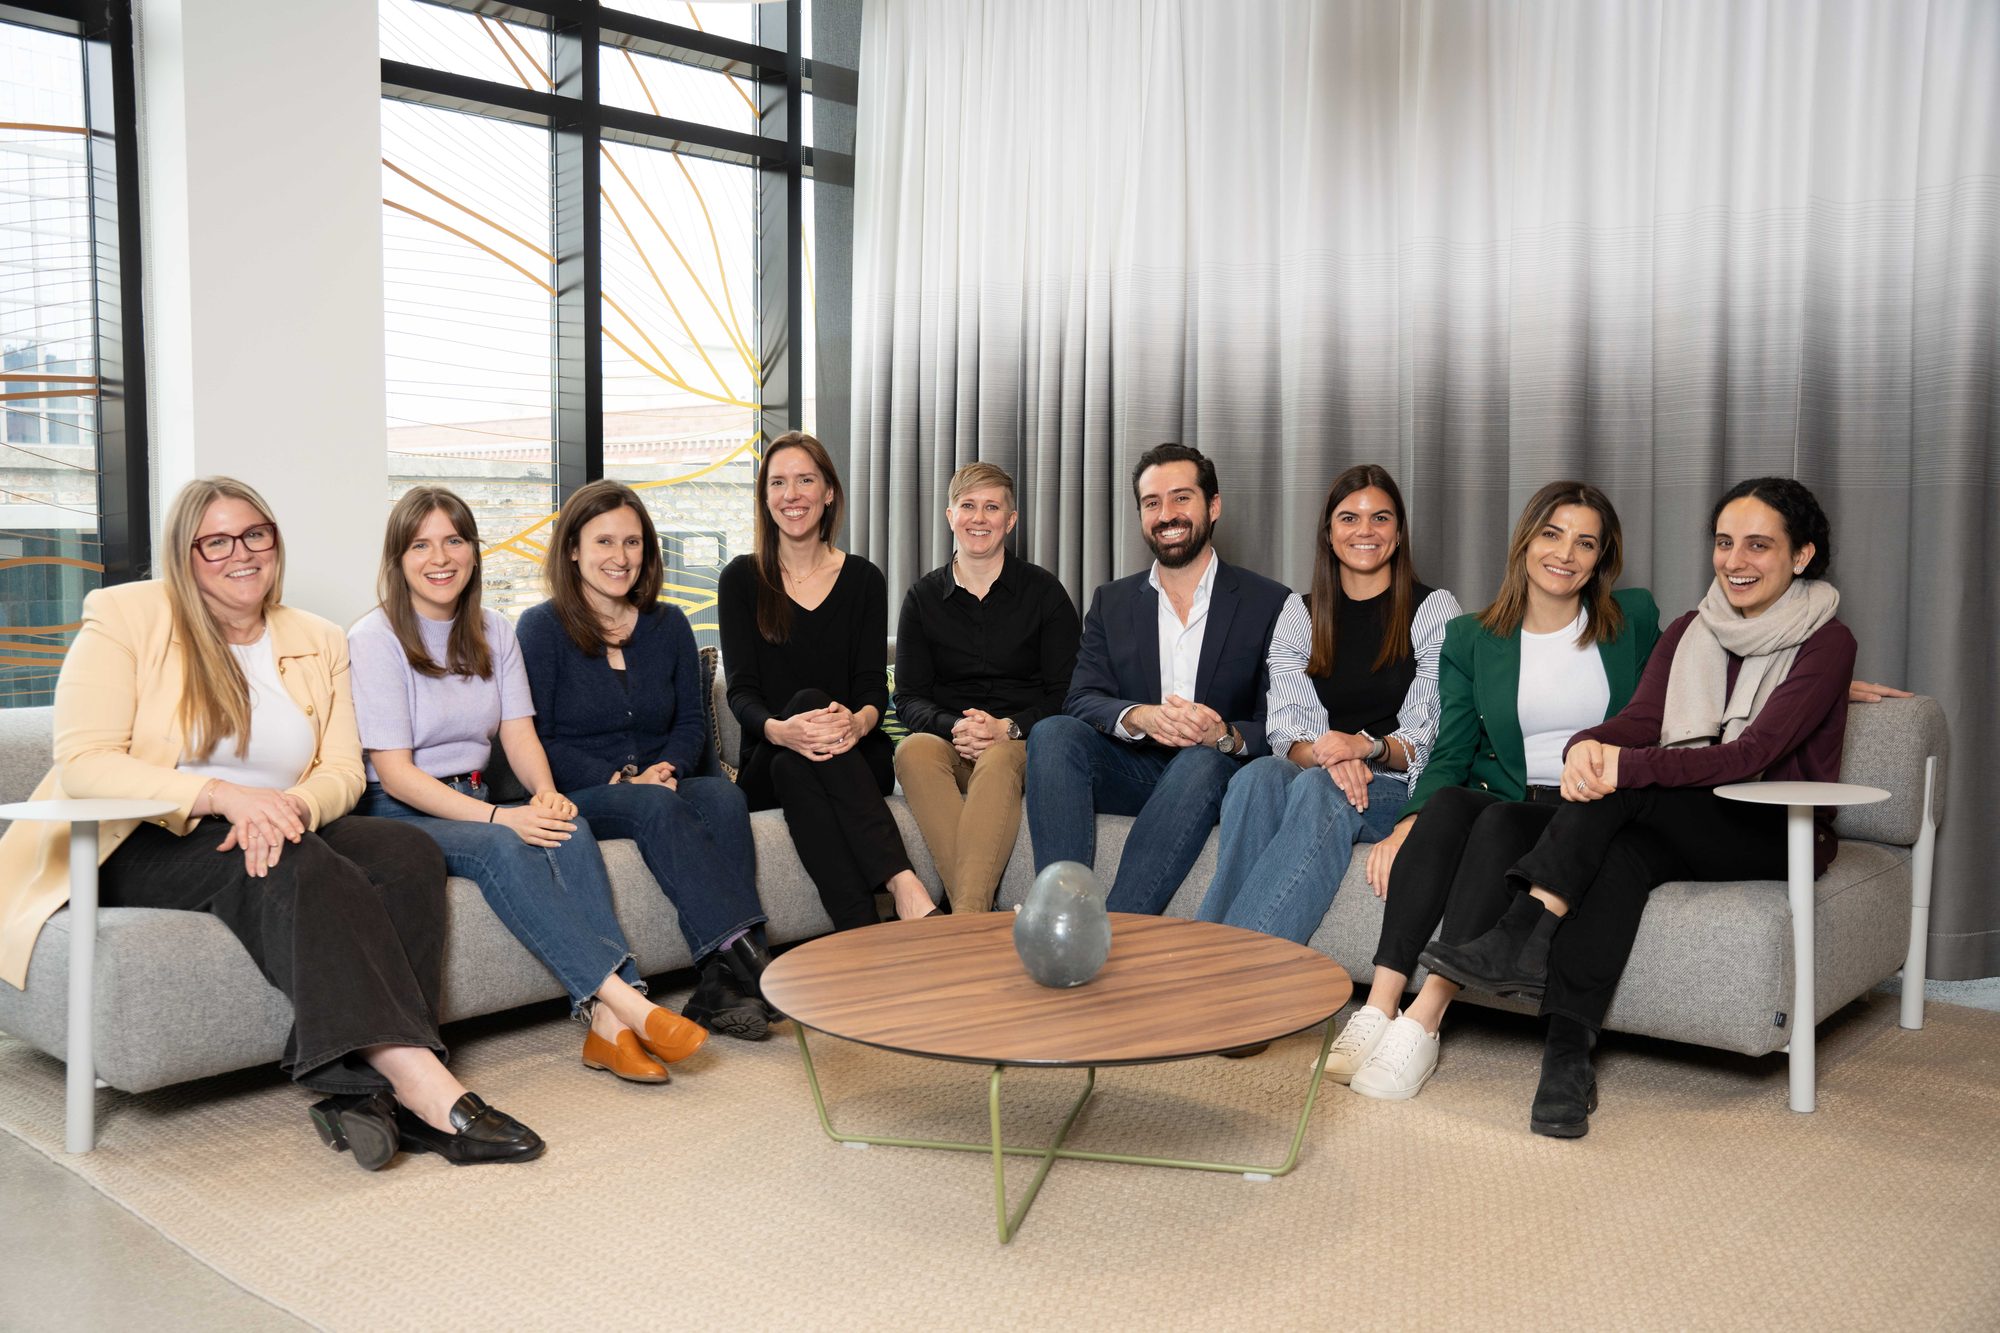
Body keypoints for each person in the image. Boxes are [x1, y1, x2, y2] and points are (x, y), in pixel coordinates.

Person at [0, 477, 541, 1170]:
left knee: (406, 850)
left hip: (280, 818)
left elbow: (342, 770)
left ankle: (362, 1091)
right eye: (217, 541)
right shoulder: (125, 617)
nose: (242, 553)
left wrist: (288, 808)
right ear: (185, 553)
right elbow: (85, 765)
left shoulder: (315, 637)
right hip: (142, 834)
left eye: (256, 534)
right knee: (294, 861)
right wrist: (226, 795)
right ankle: (423, 1083)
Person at [1420, 476, 1857, 1138]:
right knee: (1617, 855)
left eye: (1759, 546)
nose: (1735, 561)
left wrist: (1617, 765)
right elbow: (1638, 720)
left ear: (1801, 556)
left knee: (1626, 787)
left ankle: (1518, 931)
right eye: (1724, 542)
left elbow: (1750, 753)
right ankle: (1566, 1059)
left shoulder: (1828, 643)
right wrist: (1586, 748)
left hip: (1776, 826)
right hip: (1687, 817)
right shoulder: (1691, 629)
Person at [349, 486, 713, 1087]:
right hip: (404, 808)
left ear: (472, 551)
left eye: (454, 541)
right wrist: (498, 820)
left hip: (475, 794)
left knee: (567, 825)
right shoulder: (376, 637)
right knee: (507, 845)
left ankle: (608, 1030)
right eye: (421, 545)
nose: (440, 558)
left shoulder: (493, 629)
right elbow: (395, 773)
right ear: (399, 559)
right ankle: (630, 1002)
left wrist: (545, 793)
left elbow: (519, 736)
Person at [1328, 481, 1661, 1103]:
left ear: (1601, 557)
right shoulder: (1472, 637)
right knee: (1453, 804)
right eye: (1552, 534)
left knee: (1497, 825)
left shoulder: (1633, 618)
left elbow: (1698, 670)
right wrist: (1409, 822)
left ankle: (1424, 1021)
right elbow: (1451, 751)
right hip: (1515, 796)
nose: (1565, 554)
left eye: (1585, 542)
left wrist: (1818, 679)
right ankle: (1377, 1009)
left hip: (1589, 811)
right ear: (1526, 542)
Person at [517, 479, 772, 1040]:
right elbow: (537, 736)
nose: (620, 556)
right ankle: (751, 957)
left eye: (632, 543)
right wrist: (620, 779)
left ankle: (717, 985)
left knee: (725, 796)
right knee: (652, 808)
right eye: (604, 541)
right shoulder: (541, 629)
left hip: (665, 781)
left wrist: (669, 770)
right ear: (574, 549)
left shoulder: (668, 624)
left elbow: (690, 724)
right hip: (583, 793)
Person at [1195, 465, 1461, 947]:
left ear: (1398, 535)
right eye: (1348, 518)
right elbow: (1288, 733)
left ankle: (1236, 967)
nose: (1365, 530)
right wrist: (1332, 755)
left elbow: (1428, 737)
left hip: (1398, 786)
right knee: (1256, 776)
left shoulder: (1433, 608)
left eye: (1380, 518)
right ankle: (1210, 947)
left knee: (1320, 789)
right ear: (1329, 534)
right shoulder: (1301, 611)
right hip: (1324, 770)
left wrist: (1366, 748)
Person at [1024, 443, 1291, 914]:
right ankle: (1061, 912)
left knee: (1200, 759)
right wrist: (1140, 716)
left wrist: (1222, 735)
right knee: (1053, 733)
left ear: (1213, 506)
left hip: (1217, 770)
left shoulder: (1270, 602)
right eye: (1152, 503)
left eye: (1181, 498)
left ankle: (1118, 927)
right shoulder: (1112, 600)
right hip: (1136, 766)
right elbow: (1081, 697)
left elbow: (1283, 721)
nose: (1167, 514)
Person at [718, 432, 932, 930]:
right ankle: (903, 883)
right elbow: (742, 691)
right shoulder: (741, 579)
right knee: (798, 736)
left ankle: (859, 933)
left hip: (855, 753)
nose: (791, 494)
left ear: (829, 491)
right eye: (778, 483)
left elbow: (871, 690)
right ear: (765, 498)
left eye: (805, 480)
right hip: (767, 756)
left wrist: (859, 724)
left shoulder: (863, 578)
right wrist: (781, 730)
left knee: (802, 764)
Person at [892, 462, 1080, 913]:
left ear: (1010, 521)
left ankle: (966, 921)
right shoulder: (922, 598)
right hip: (950, 743)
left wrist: (1008, 728)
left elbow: (1068, 693)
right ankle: (980, 919)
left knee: (997, 759)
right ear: (950, 515)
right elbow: (908, 696)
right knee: (911, 751)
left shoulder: (1045, 593)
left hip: (1021, 745)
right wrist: (956, 725)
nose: (979, 518)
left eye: (991, 507)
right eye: (968, 506)